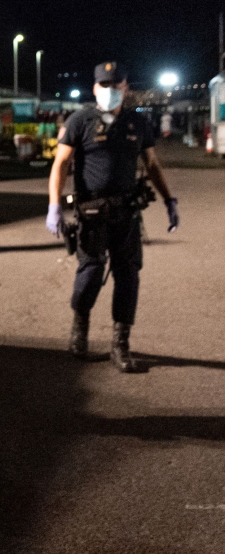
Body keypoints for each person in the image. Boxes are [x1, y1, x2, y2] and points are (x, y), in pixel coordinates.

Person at [47, 61, 178, 372]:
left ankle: (121, 345)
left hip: (127, 214)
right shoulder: (80, 120)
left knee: (128, 277)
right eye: (104, 85)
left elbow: (152, 165)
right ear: (95, 88)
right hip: (91, 214)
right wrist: (54, 205)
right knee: (90, 274)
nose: (110, 90)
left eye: (115, 85)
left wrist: (169, 199)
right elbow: (61, 163)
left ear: (125, 88)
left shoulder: (138, 123)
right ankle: (79, 331)